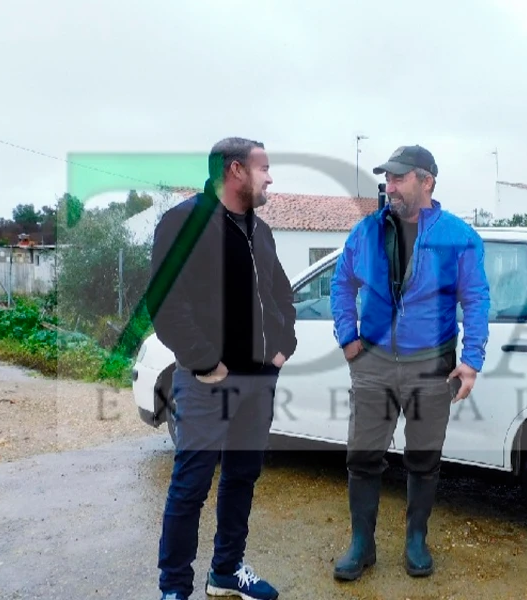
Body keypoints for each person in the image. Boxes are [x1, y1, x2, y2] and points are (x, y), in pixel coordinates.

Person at [329, 144, 490, 580]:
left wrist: (471, 359)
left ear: (426, 181)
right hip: (374, 363)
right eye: (388, 178)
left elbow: (475, 300)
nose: (390, 185)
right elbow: (341, 284)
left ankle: (416, 539)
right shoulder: (365, 232)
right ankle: (362, 544)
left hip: (430, 366)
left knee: (423, 458)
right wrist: (348, 338)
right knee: (362, 458)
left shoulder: (458, 237)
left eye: (399, 177)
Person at [146, 137, 296, 600]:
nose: (270, 177)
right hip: (208, 383)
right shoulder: (183, 223)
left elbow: (282, 295)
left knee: (241, 478)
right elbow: (165, 302)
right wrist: (206, 361)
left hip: (258, 382)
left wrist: (282, 347)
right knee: (190, 486)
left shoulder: (260, 230)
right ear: (235, 171)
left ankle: (225, 572)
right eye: (264, 168)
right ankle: (174, 589)